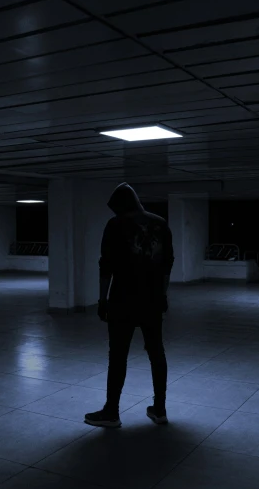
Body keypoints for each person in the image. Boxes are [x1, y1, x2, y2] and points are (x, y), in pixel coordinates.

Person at [84, 182, 174, 428]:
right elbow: (167, 264)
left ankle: (111, 411)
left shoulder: (116, 225)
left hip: (123, 299)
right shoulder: (160, 223)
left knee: (118, 355)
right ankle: (160, 409)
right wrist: (163, 294)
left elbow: (106, 266)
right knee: (157, 352)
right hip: (153, 299)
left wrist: (102, 300)